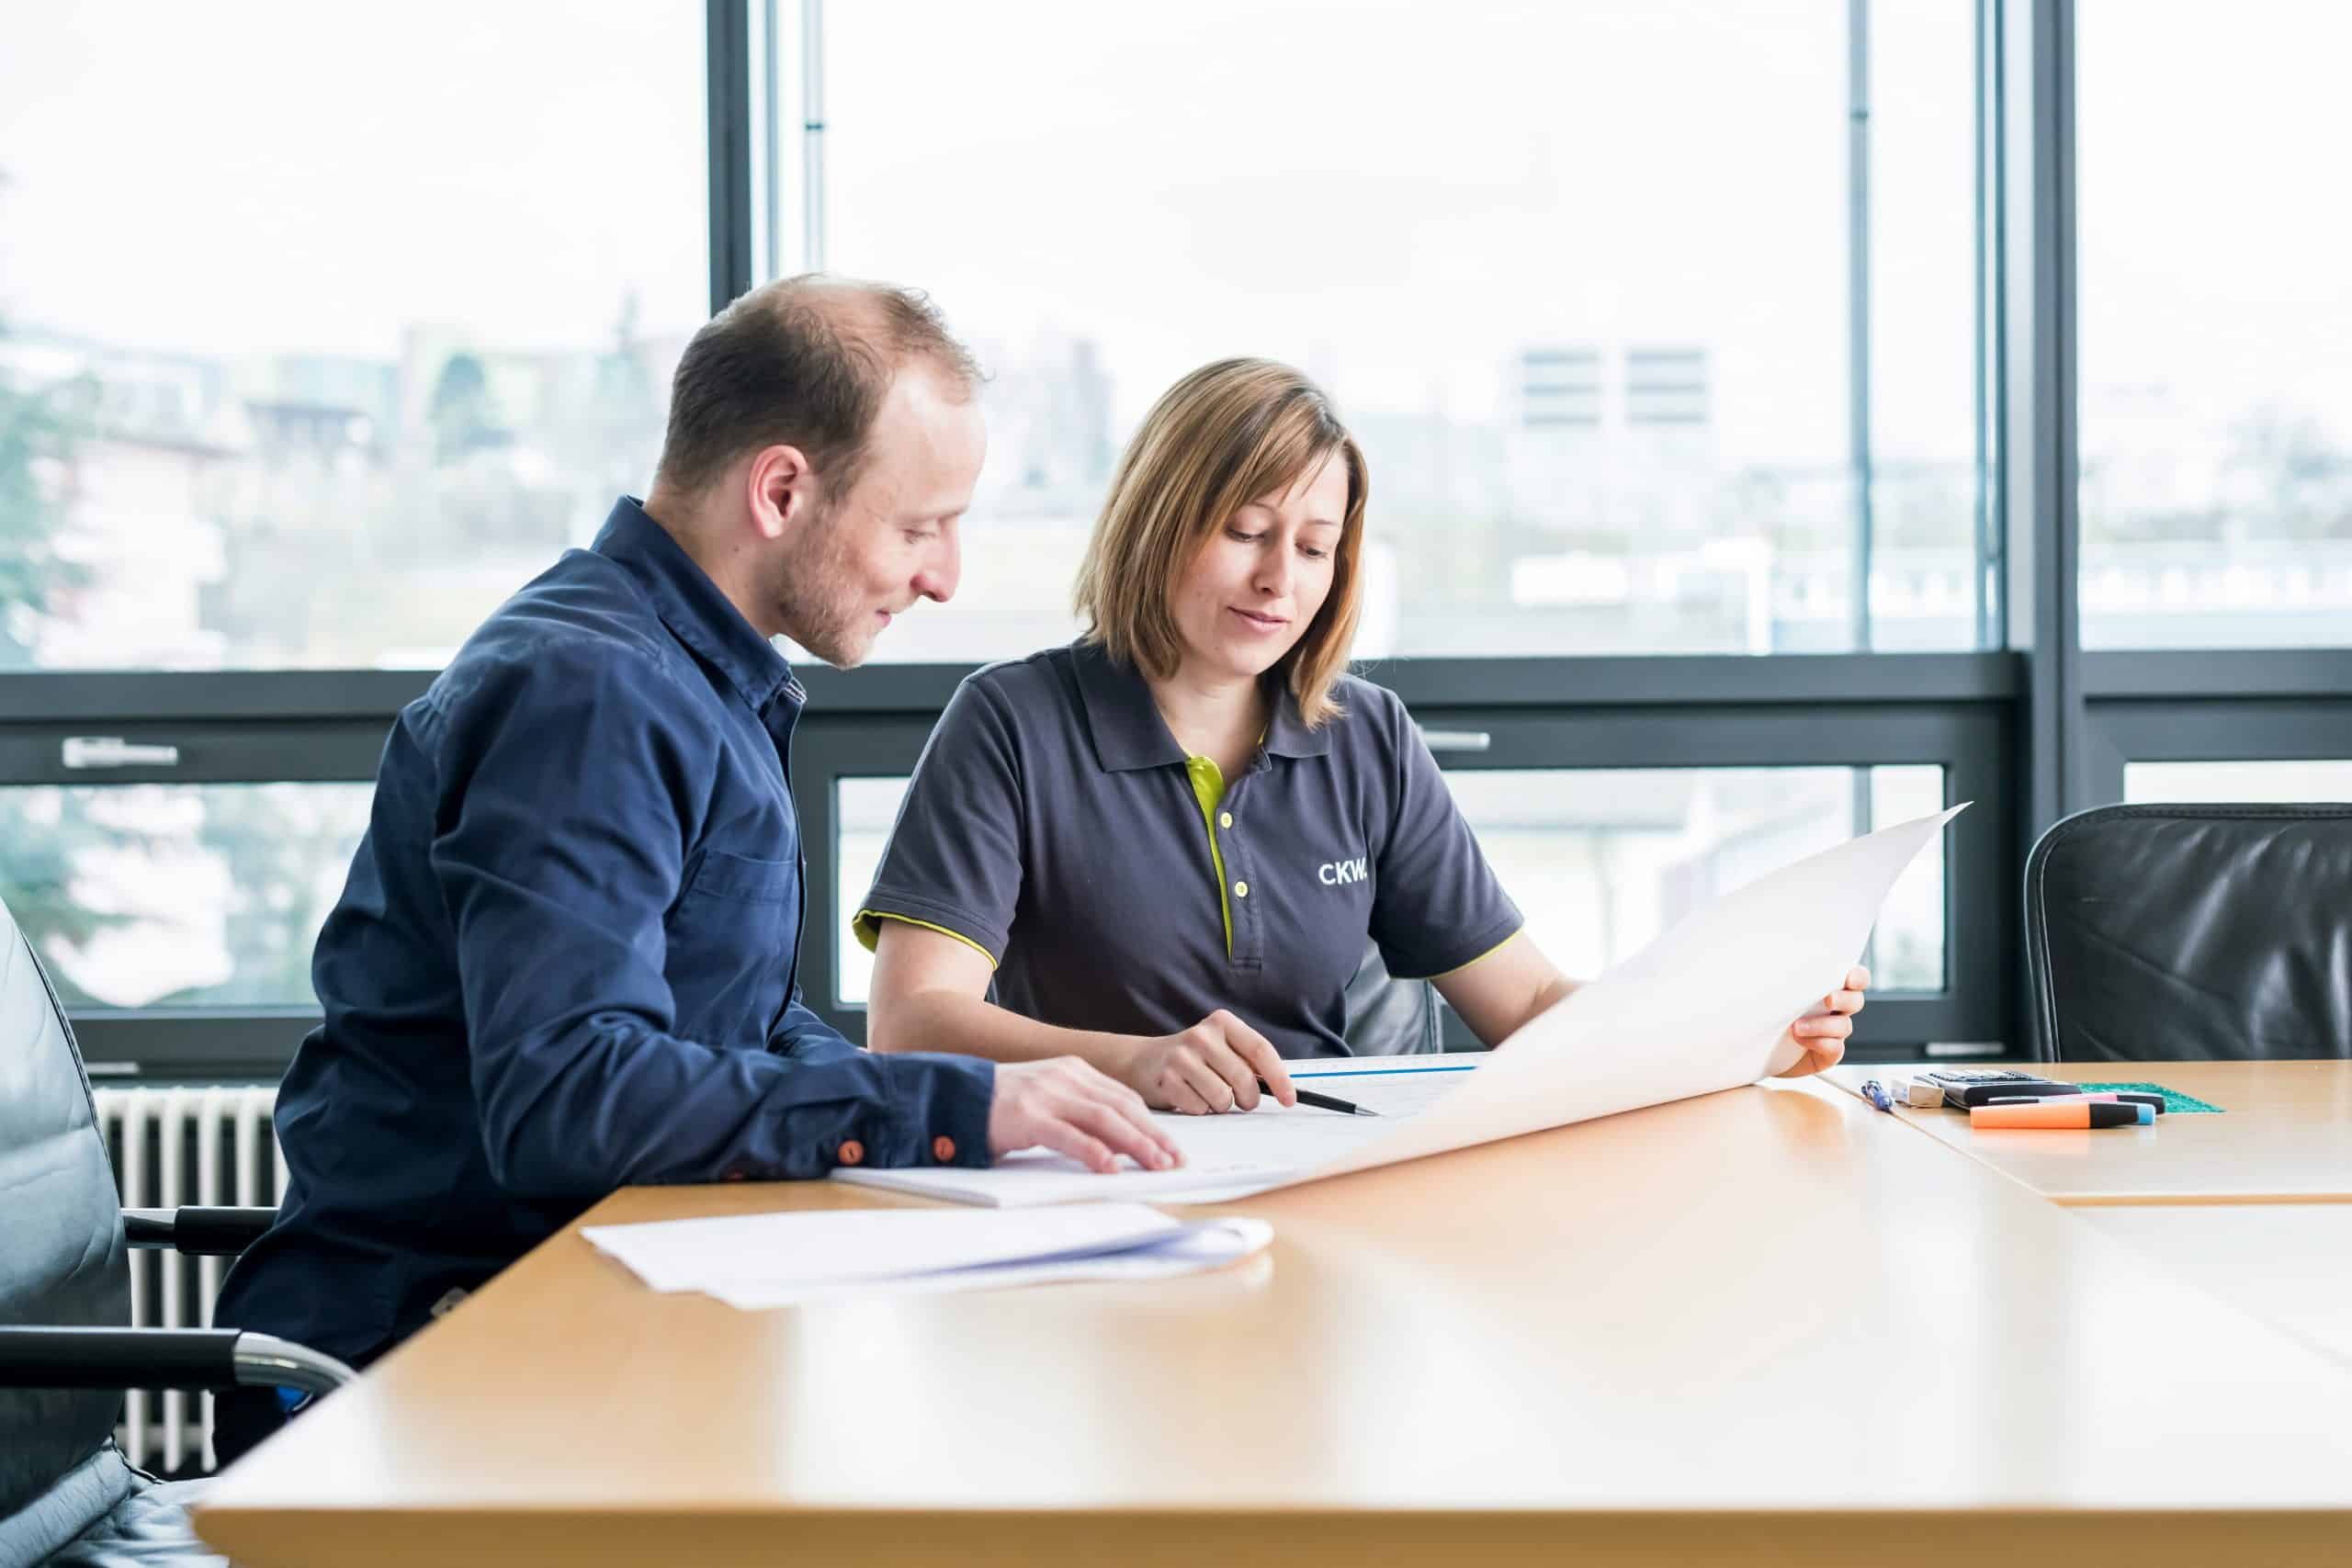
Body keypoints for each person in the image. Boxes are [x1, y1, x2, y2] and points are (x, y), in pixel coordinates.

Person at [211, 276, 1179, 1462]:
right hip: (420, 1373)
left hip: (564, 1318)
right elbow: (568, 1095)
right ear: (780, 489)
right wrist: (946, 1104)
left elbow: (750, 1024)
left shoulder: (699, 682)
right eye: (921, 525)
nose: (945, 576)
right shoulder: (592, 692)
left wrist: (952, 1142)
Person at [855, 358, 1868, 1114]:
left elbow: (1529, 1003)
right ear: (1157, 522)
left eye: (1314, 548)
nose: (1278, 581)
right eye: (1246, 533)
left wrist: (1741, 1031)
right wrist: (1136, 1060)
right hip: (1105, 1173)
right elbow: (911, 1024)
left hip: (1323, 1170)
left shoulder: (1366, 738)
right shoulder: (1011, 723)